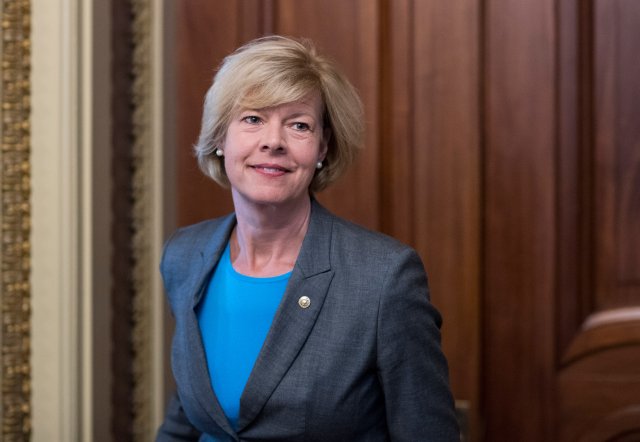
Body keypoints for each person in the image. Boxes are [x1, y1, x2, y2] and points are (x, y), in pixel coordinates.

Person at [156, 35, 459, 441]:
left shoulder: (383, 278)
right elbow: (186, 421)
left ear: (322, 148)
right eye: (252, 119)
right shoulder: (184, 256)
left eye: (299, 124)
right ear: (218, 138)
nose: (273, 141)